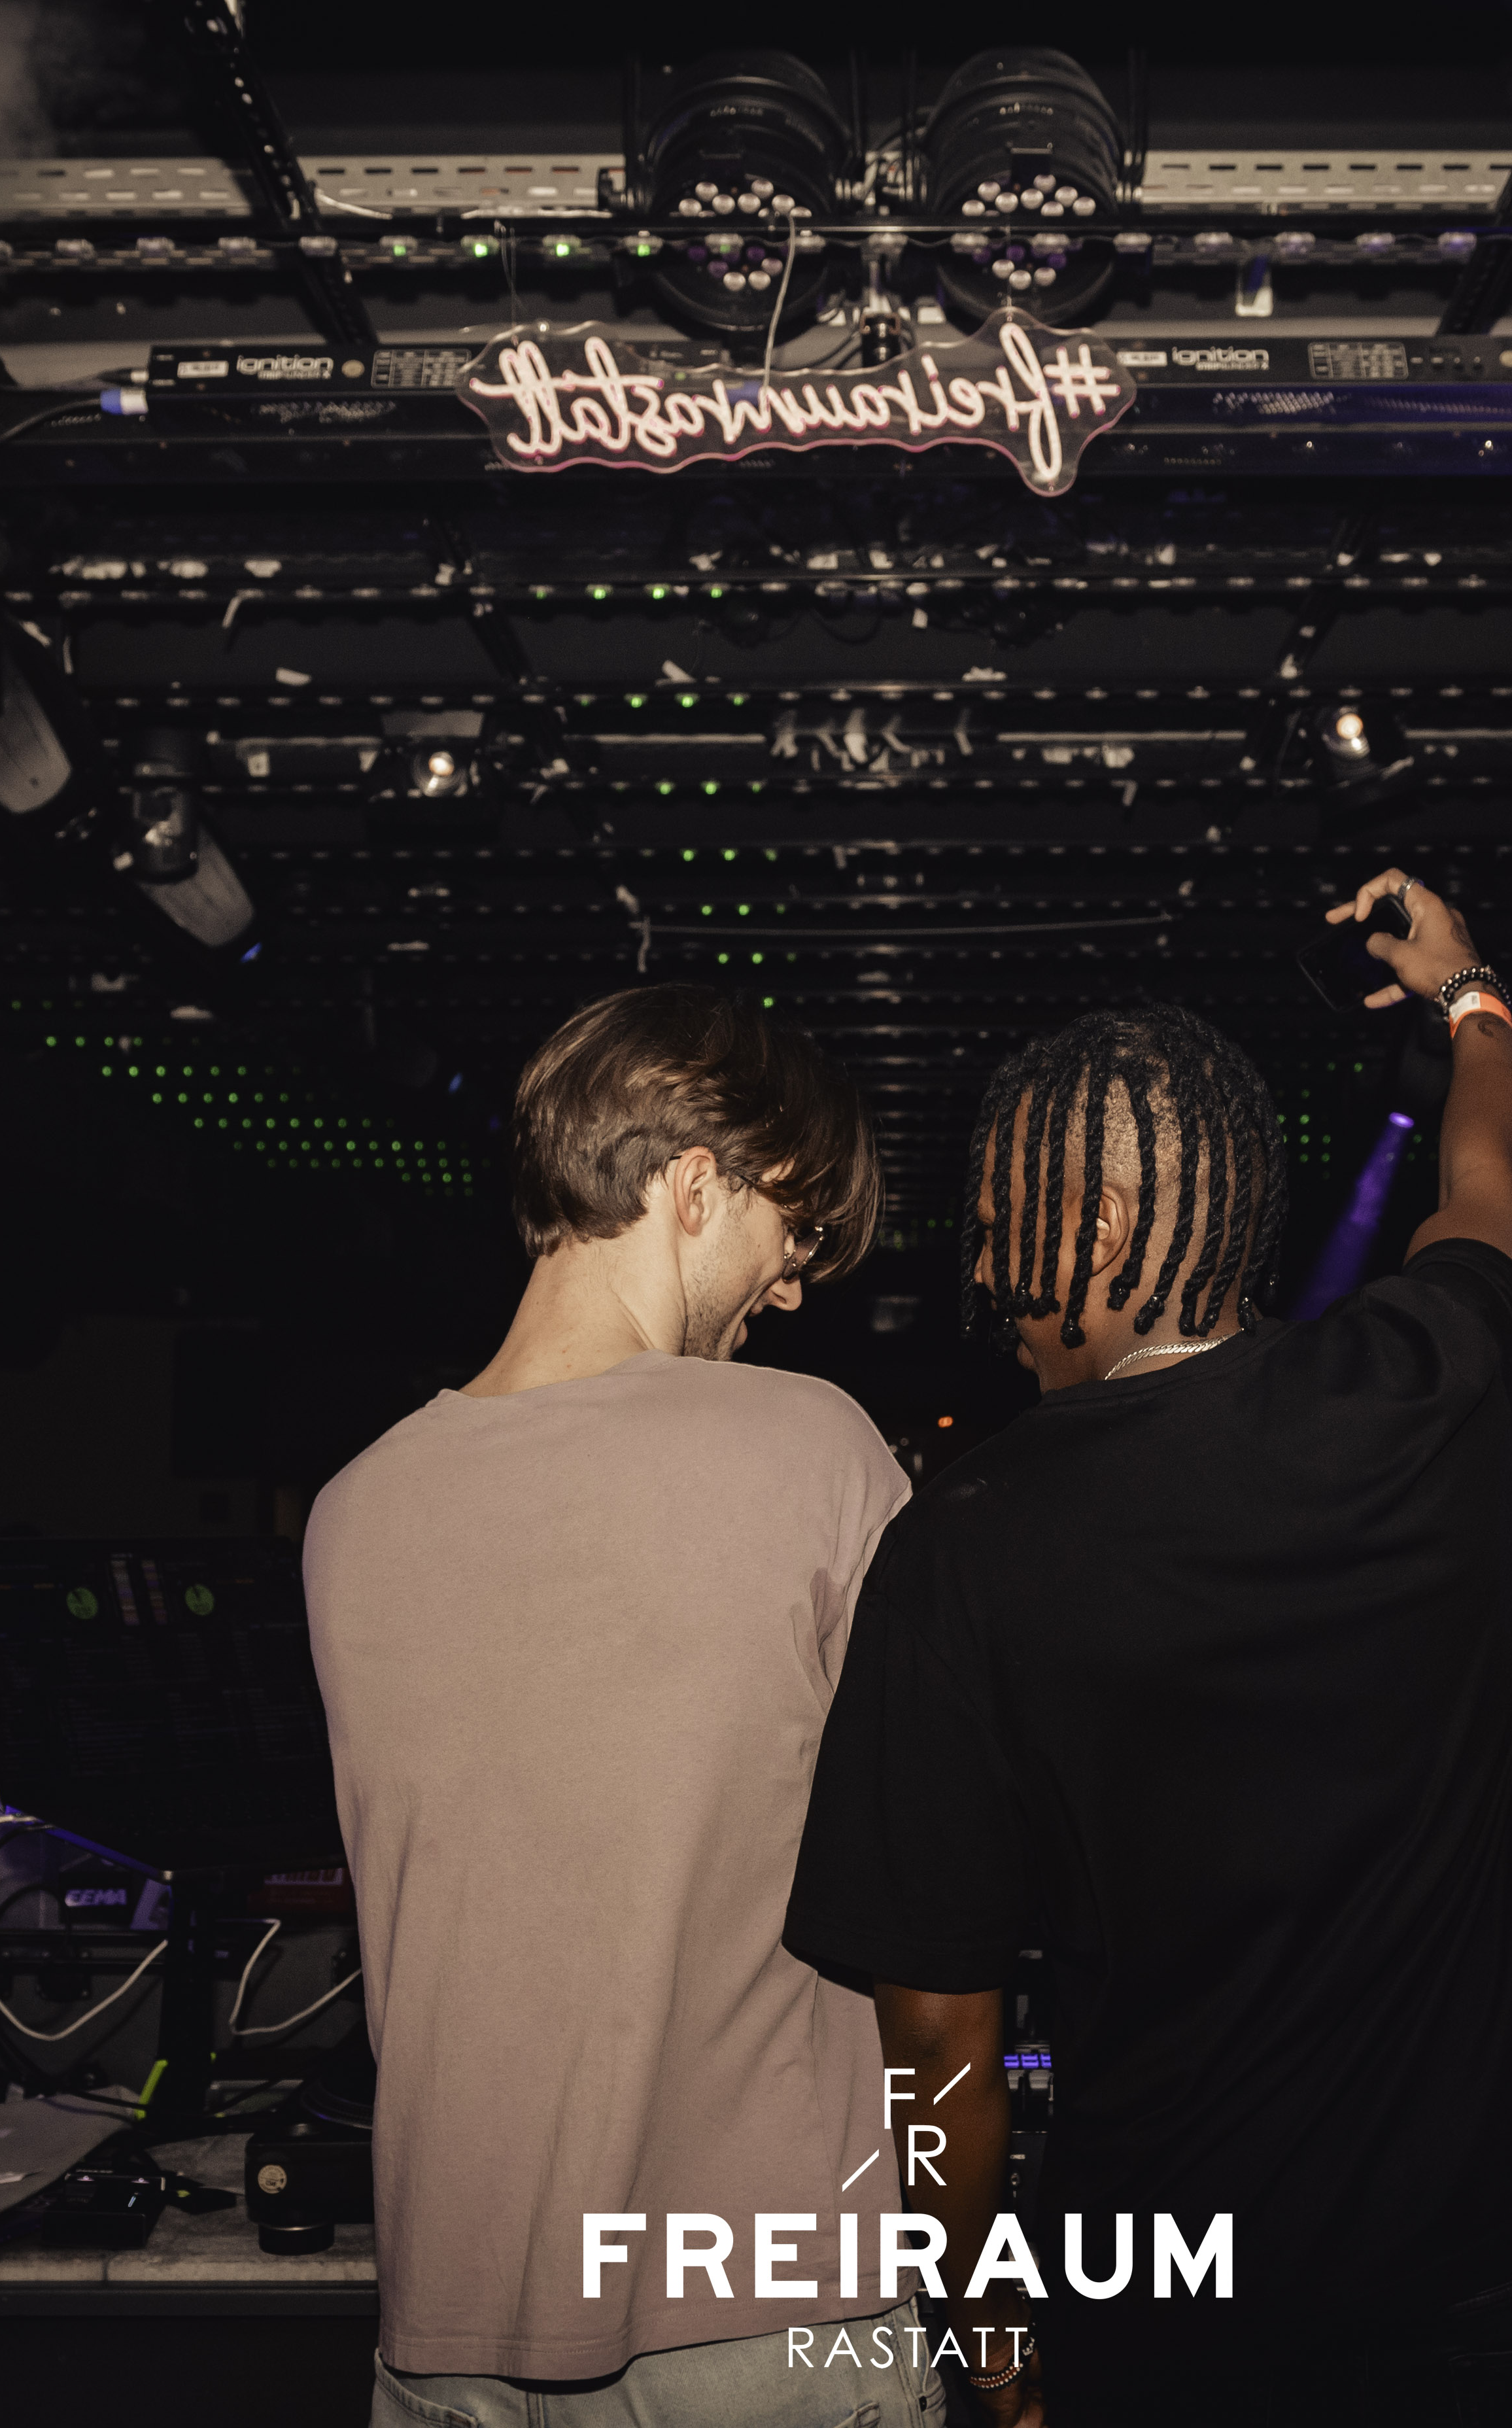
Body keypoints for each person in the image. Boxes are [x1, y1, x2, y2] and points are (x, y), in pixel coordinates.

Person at [788, 869, 1512, 2426]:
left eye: (1002, 1230)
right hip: (1496, 2267)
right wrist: (1471, 995)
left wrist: (986, 2327)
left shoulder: (962, 1542)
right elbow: (1491, 1180)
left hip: (1184, 2301)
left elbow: (940, 2026)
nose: (989, 1280)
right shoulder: (1420, 1384)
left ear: (1101, 1224)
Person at [303, 985, 931, 2427]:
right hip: (759, 2320)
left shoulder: (352, 1507)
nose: (793, 1289)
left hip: (450, 2332)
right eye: (794, 1234)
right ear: (696, 1188)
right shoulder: (813, 1447)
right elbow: (943, 1860)